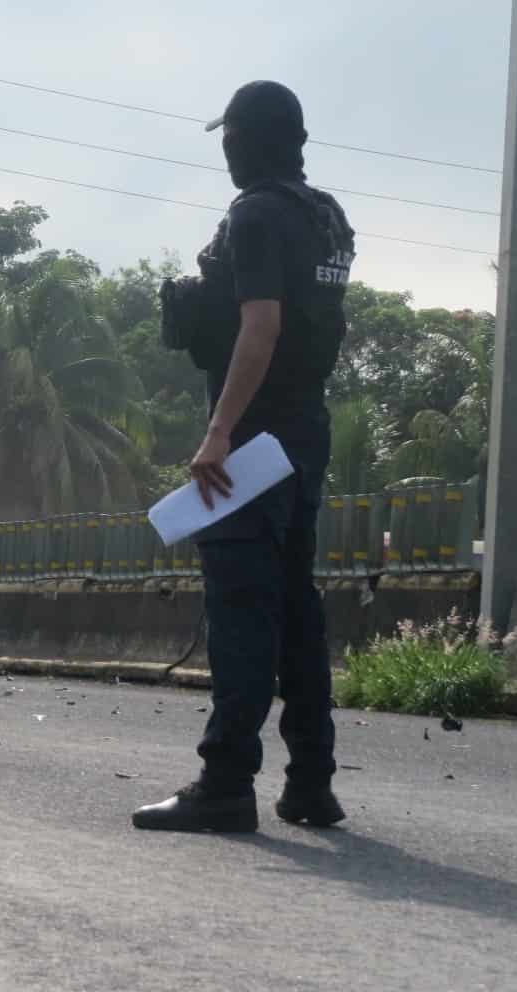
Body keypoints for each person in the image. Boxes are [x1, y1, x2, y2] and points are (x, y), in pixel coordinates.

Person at [135, 81, 355, 833]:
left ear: (244, 141)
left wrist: (219, 432)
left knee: (240, 610)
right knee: (297, 607)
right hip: (303, 435)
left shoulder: (256, 214)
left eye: (229, 138)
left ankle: (226, 783)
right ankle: (312, 785)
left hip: (253, 445)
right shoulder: (325, 218)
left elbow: (261, 324)